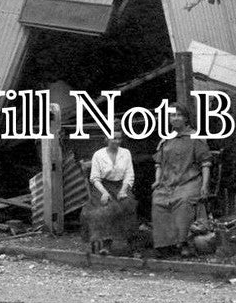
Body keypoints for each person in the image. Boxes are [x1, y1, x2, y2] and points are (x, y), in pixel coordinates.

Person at [151, 104, 212, 258]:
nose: (175, 118)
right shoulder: (166, 139)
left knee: (182, 201)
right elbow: (159, 163)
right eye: (173, 115)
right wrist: (157, 180)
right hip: (168, 182)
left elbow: (205, 164)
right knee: (158, 200)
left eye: (179, 115)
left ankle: (184, 243)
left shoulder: (195, 138)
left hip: (190, 181)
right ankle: (165, 245)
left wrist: (205, 186)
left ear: (185, 118)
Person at [80, 130, 137, 256]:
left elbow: (129, 174)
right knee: (104, 208)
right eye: (113, 138)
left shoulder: (126, 153)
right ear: (106, 138)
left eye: (119, 138)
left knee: (128, 204)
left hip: (121, 186)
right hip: (102, 187)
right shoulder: (98, 155)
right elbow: (94, 178)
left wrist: (123, 190)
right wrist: (104, 193)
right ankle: (106, 243)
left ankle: (131, 244)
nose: (117, 141)